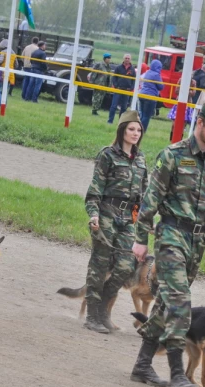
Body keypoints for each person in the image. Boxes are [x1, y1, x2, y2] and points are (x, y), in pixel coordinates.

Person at [130, 102, 205, 387]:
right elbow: (150, 200)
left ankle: (142, 365)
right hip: (170, 235)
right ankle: (178, 374)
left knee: (167, 304)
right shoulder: (172, 155)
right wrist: (141, 238)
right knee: (180, 300)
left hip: (198, 241)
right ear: (200, 122)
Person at [83, 110, 148, 333]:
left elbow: (145, 193)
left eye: (138, 130)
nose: (135, 133)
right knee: (99, 265)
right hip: (106, 214)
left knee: (126, 266)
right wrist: (93, 214)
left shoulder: (140, 158)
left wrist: (148, 219)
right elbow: (94, 190)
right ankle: (92, 316)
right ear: (122, 130)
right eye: (131, 129)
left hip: (128, 218)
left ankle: (103, 309)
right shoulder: (108, 155)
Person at [108, 54, 136, 124]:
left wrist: (131, 88)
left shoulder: (132, 70)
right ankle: (110, 121)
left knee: (124, 108)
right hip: (118, 89)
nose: (127, 59)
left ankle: (121, 122)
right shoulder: (118, 68)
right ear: (123, 59)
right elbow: (114, 77)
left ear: (130, 60)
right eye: (126, 58)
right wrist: (116, 85)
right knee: (113, 106)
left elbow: (134, 80)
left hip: (127, 90)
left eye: (128, 58)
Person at [166, 75, 196, 141]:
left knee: (183, 125)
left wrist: (186, 90)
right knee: (174, 124)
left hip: (187, 104)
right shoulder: (180, 80)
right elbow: (176, 91)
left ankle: (179, 139)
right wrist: (186, 90)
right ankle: (171, 138)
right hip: (178, 102)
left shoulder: (193, 82)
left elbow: (193, 93)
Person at [138, 59, 163, 132]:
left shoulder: (147, 72)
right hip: (150, 97)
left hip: (142, 95)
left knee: (142, 115)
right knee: (146, 116)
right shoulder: (156, 75)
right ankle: (142, 131)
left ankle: (137, 129)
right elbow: (161, 87)